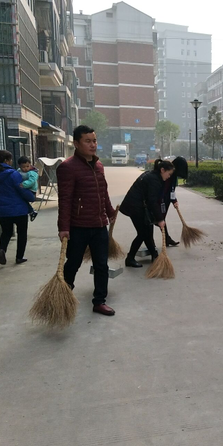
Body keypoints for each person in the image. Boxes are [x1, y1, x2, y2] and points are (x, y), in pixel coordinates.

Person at [56, 125, 117, 316]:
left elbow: (103, 192)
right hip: (78, 227)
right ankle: (63, 297)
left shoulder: (99, 165)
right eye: (88, 141)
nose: (93, 145)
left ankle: (99, 301)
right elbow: (65, 200)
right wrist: (64, 227)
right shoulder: (67, 167)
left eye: (94, 141)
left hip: (99, 225)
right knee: (73, 263)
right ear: (76, 143)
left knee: (101, 265)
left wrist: (109, 211)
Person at [120, 159, 178, 268]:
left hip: (137, 206)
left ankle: (154, 255)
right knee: (143, 233)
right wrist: (160, 219)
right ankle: (130, 258)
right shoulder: (154, 180)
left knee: (148, 231)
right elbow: (152, 201)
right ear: (162, 170)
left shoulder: (153, 176)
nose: (169, 176)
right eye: (169, 173)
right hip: (135, 208)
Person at [0, 150, 36, 265]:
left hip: (2, 211)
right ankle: (19, 257)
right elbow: (21, 189)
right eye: (10, 160)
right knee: (22, 233)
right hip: (19, 209)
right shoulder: (13, 174)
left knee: (6, 232)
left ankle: (2, 249)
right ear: (6, 161)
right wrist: (32, 198)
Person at [17, 155, 39, 221]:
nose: (26, 168)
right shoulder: (19, 171)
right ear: (19, 166)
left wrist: (23, 185)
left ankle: (31, 211)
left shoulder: (32, 172)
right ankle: (31, 211)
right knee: (22, 200)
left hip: (31, 190)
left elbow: (31, 181)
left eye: (27, 166)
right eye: (23, 167)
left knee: (22, 199)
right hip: (25, 189)